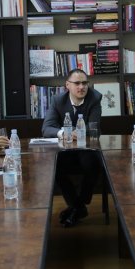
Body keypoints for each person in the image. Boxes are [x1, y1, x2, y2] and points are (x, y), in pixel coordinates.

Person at [42, 68, 102, 227]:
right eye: (77, 83)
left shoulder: (95, 98)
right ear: (67, 85)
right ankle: (78, 207)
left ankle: (77, 206)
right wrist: (64, 132)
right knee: (55, 167)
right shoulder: (57, 100)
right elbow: (46, 128)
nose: (81, 87)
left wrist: (78, 132)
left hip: (87, 149)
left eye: (84, 83)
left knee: (92, 163)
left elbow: (94, 127)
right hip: (65, 150)